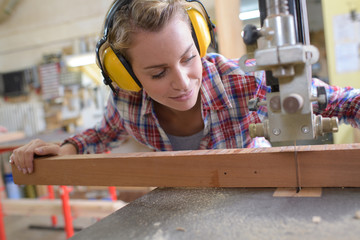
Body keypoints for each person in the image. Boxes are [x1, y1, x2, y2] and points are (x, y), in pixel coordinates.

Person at [10, 0, 360, 175]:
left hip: (255, 189)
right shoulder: (128, 102)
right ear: (128, 76)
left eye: (189, 58)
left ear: (201, 41)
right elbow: (104, 133)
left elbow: (348, 102)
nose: (182, 82)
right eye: (158, 73)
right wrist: (65, 150)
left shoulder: (243, 83)